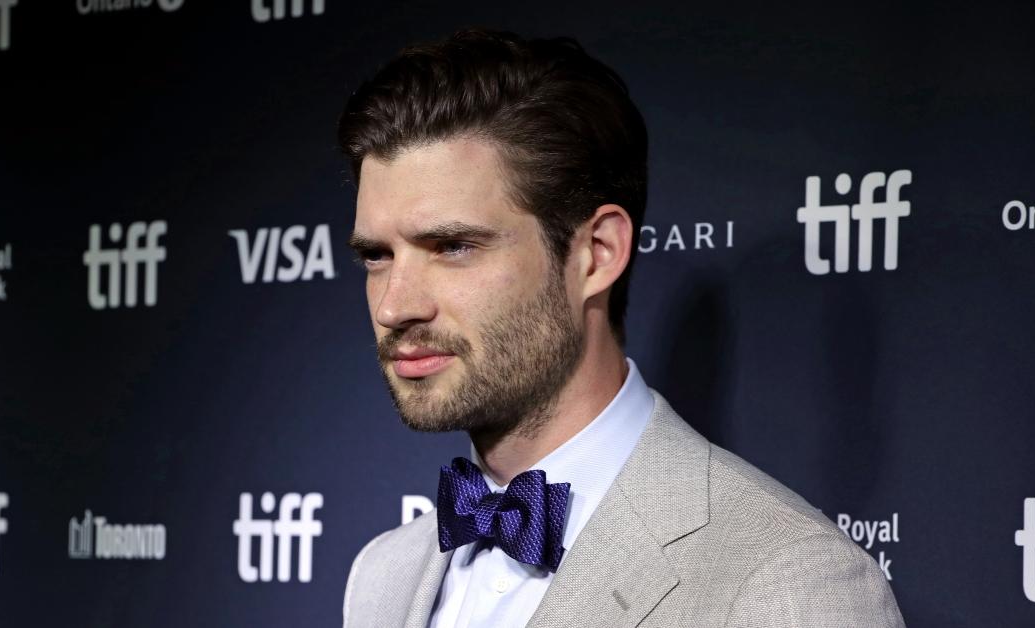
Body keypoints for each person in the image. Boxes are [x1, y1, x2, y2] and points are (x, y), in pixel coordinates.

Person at [338, 29, 904, 628]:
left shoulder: (791, 589)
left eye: (452, 247)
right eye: (377, 256)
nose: (394, 306)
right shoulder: (383, 576)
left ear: (598, 253)